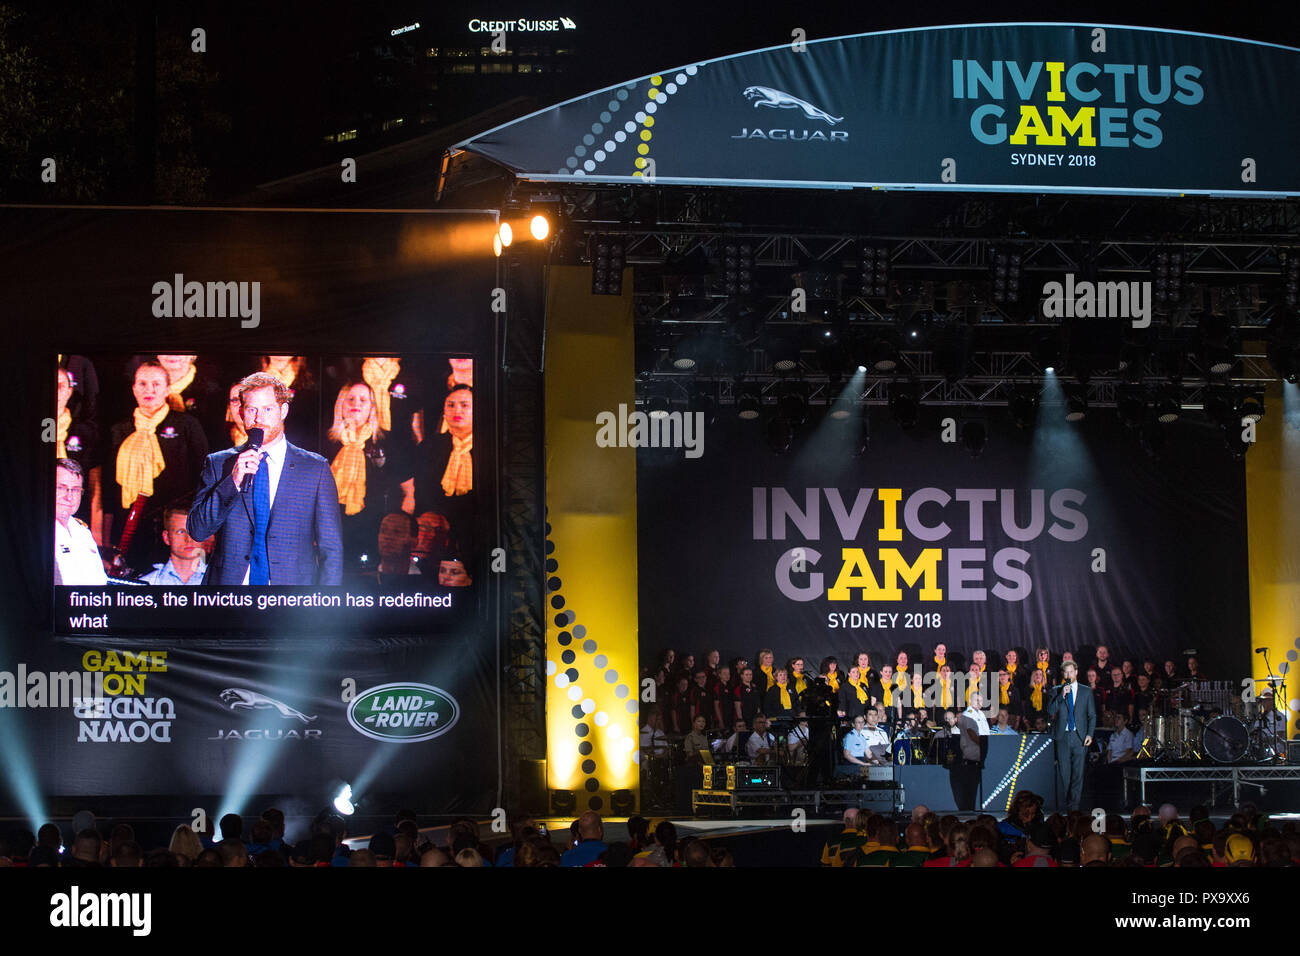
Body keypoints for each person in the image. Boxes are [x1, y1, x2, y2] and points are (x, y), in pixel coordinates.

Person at [187, 372, 343, 585]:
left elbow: (331, 548)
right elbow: (197, 530)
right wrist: (232, 482)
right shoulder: (218, 464)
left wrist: (326, 606)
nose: (258, 419)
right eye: (252, 410)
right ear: (241, 413)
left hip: (291, 598)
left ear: (283, 411)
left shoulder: (315, 469)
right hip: (229, 595)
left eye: (267, 409)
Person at [107, 359, 209, 573]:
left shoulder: (187, 425)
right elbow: (109, 487)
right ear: (134, 389)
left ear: (167, 389)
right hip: (131, 525)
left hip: (177, 527)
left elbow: (205, 477)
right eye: (142, 384)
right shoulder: (119, 430)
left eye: (156, 384)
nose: (149, 390)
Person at [327, 381, 416, 573]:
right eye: (350, 399)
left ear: (372, 408)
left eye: (363, 400)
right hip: (332, 532)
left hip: (375, 534)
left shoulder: (387, 442)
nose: (355, 404)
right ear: (340, 404)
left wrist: (398, 534)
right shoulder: (327, 443)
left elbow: (409, 492)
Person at [1047, 661, 1096, 811]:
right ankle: (1068, 803)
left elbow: (1092, 715)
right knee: (1065, 773)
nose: (1068, 675)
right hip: (1062, 736)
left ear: (1076, 672)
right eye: (1065, 673)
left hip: (1080, 736)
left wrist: (1089, 734)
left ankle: (1074, 807)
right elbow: (1050, 710)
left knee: (1078, 773)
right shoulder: (1056, 690)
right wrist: (1062, 695)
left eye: (1071, 672)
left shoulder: (1086, 691)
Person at [54, 459, 107, 586]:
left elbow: (101, 580)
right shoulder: (36, 533)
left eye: (76, 490)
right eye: (61, 488)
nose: (69, 497)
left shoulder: (83, 532)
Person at [138, 505, 208, 585]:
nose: (189, 539)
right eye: (180, 532)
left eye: (194, 531)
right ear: (166, 537)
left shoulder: (220, 580)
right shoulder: (147, 584)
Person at [952, 691, 989, 810]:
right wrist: (982, 744)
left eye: (981, 700)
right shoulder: (968, 715)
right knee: (968, 793)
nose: (979, 702)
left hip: (978, 758)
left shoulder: (981, 714)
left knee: (974, 791)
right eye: (976, 700)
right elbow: (971, 734)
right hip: (969, 760)